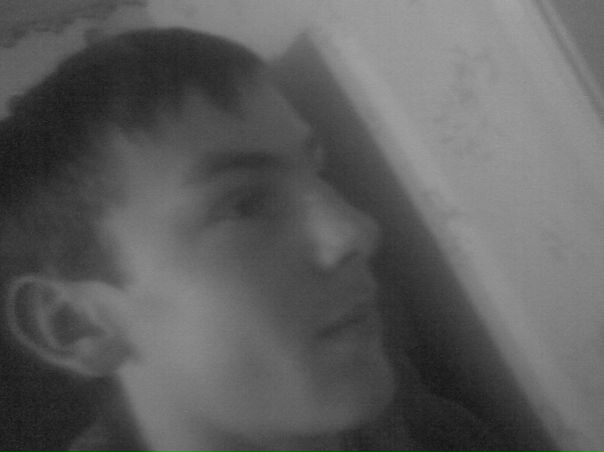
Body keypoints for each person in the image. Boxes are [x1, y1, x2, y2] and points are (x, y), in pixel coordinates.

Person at [0, 28, 505, 452]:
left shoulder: (415, 421)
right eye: (244, 204)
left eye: (318, 172)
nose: (356, 231)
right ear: (75, 324)